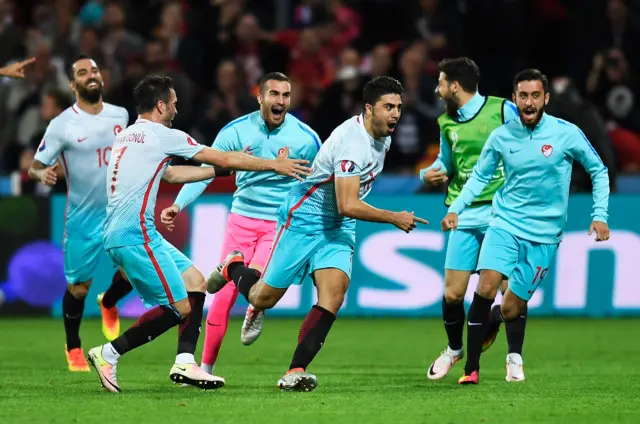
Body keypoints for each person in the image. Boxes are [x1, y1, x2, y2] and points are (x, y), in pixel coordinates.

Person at [86, 74, 311, 392]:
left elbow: (173, 173)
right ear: (161, 105)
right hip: (134, 234)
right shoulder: (161, 135)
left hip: (130, 230)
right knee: (178, 309)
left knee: (197, 282)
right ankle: (108, 354)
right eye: (174, 104)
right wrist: (273, 165)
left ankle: (185, 363)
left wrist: (220, 171)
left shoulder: (129, 136)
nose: (177, 110)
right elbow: (223, 156)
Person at [207, 76, 427, 392]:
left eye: (399, 107)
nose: (395, 114)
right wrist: (393, 217)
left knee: (334, 294)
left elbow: (347, 207)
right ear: (369, 108)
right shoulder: (352, 144)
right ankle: (232, 267)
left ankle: (295, 370)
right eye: (388, 107)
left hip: (338, 226)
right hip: (304, 219)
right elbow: (348, 202)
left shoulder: (383, 136)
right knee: (261, 298)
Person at [441, 69, 610, 385]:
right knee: (486, 285)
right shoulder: (502, 136)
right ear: (514, 98)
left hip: (545, 235)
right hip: (504, 223)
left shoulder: (566, 133)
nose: (529, 102)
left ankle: (498, 322)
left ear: (545, 98)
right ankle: (471, 370)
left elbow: (598, 170)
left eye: (535, 96)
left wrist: (600, 214)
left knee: (512, 306)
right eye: (523, 96)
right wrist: (456, 209)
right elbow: (479, 177)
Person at [161, 72, 321, 377]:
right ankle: (205, 368)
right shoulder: (235, 132)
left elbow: (318, 182)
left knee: (257, 283)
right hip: (241, 220)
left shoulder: (306, 139)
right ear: (259, 97)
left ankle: (254, 306)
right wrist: (178, 204)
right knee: (219, 301)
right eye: (274, 94)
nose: (280, 101)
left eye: (286, 95)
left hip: (278, 224)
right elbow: (207, 171)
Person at [419, 57, 523, 381]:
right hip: (463, 214)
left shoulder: (503, 110)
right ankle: (454, 349)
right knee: (452, 294)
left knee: (508, 291)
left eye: (440, 83)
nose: (436, 90)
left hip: (500, 213)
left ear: (454, 86)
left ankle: (513, 355)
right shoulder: (446, 122)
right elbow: (446, 162)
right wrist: (429, 174)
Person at [28, 55, 134, 372]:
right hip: (82, 217)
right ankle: (73, 347)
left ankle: (110, 302)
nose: (91, 75)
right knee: (78, 288)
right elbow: (35, 166)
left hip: (121, 211)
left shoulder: (121, 115)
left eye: (95, 70)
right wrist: (41, 175)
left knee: (134, 274)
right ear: (73, 84)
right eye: (83, 72)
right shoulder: (62, 125)